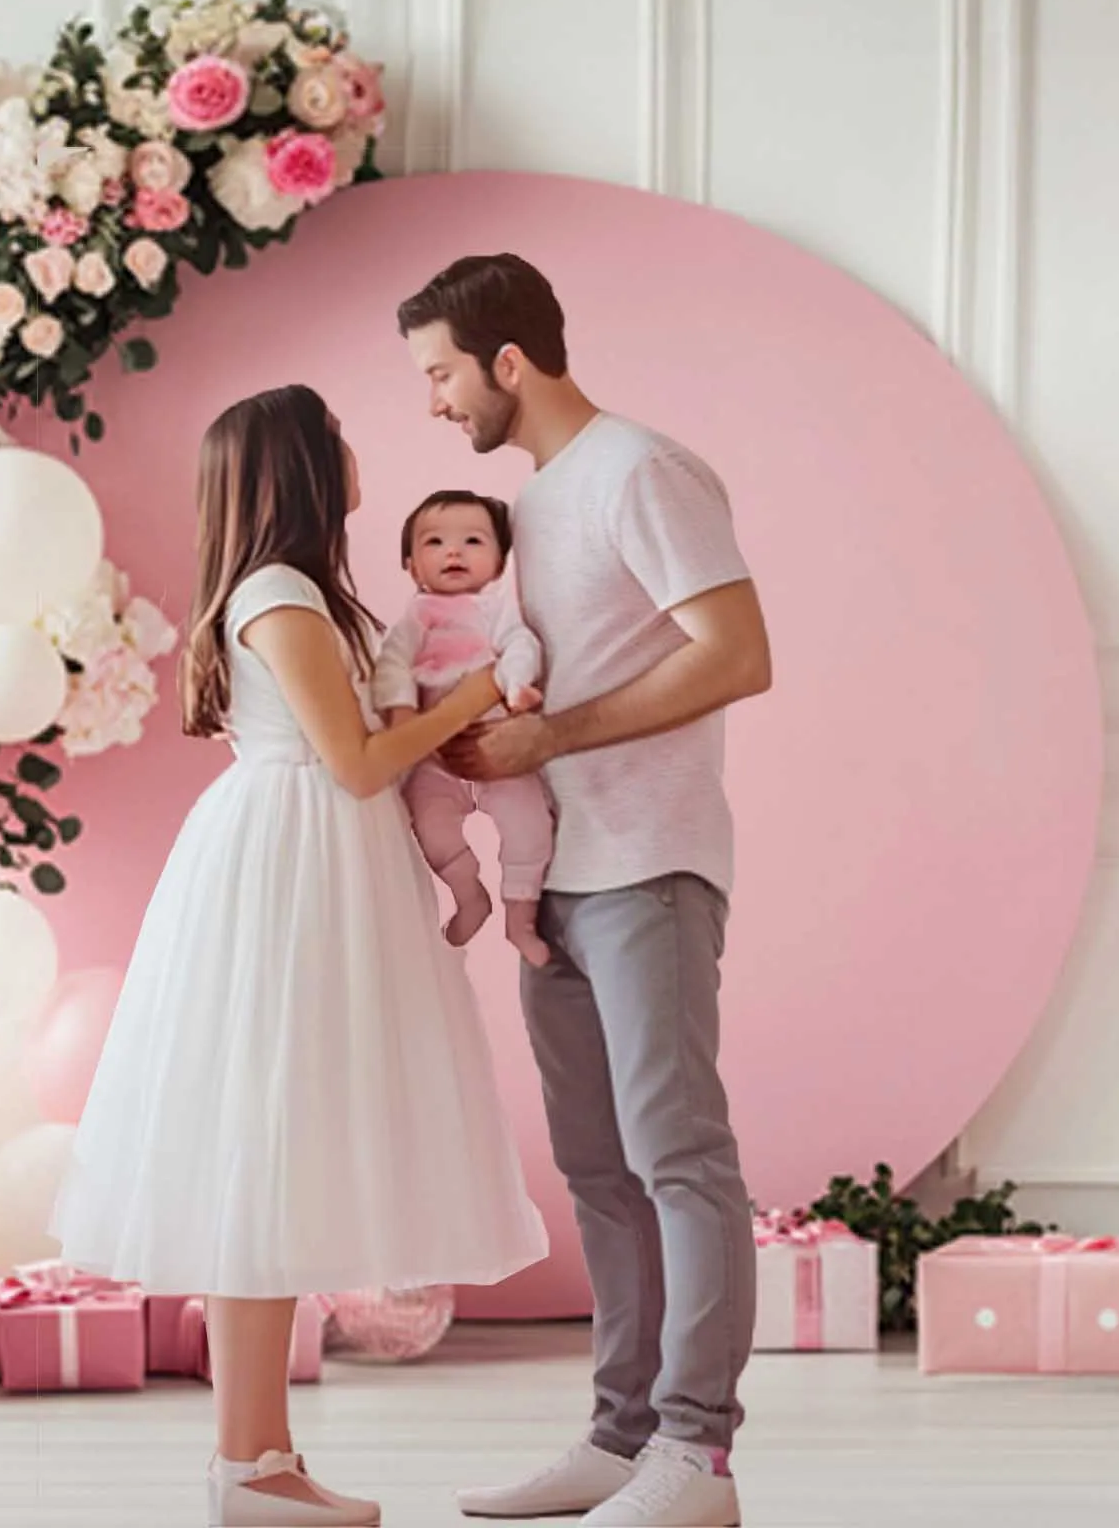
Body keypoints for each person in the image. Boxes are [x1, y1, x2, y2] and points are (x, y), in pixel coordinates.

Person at [50, 383, 547, 1528]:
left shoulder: (306, 594)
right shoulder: (277, 596)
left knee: (273, 1157)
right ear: (300, 470)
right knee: (258, 1154)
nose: (352, 452)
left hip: (316, 861)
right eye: (335, 441)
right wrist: (479, 690)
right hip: (291, 866)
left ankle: (263, 1458)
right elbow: (358, 762)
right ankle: (244, 1464)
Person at [398, 255, 772, 1528]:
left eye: (442, 371)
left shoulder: (642, 471)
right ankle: (620, 1441)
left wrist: (548, 744)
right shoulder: (537, 501)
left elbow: (737, 654)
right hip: (554, 876)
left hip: (649, 862)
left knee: (678, 1155)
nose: (434, 401)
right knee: (598, 1168)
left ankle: (696, 1458)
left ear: (509, 360)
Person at [371, 489, 554, 966]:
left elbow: (520, 645)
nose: (453, 552)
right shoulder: (415, 618)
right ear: (412, 566)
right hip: (434, 757)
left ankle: (521, 920)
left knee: (530, 825)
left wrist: (515, 686)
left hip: (497, 744)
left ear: (498, 561)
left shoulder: (497, 609)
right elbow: (391, 664)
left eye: (473, 541)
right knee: (427, 826)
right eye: (434, 543)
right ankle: (468, 893)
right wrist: (401, 712)